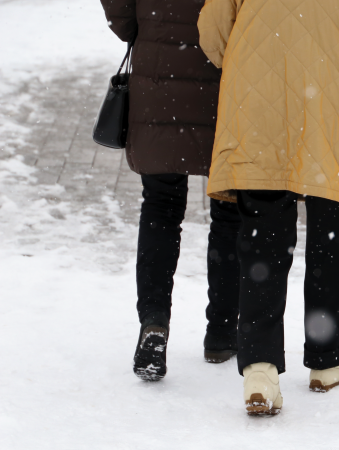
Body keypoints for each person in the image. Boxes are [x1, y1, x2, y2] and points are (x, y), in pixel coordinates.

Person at [198, 0, 339, 415]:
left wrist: (253, 59)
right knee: (332, 228)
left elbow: (213, 30)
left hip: (257, 102)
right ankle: (330, 357)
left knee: (262, 236)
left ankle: (261, 369)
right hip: (336, 100)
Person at [100, 0, 242, 381]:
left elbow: (118, 10)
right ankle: (222, 333)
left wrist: (143, 27)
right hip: (222, 76)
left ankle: (154, 323)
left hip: (159, 78)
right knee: (229, 209)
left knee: (161, 207)